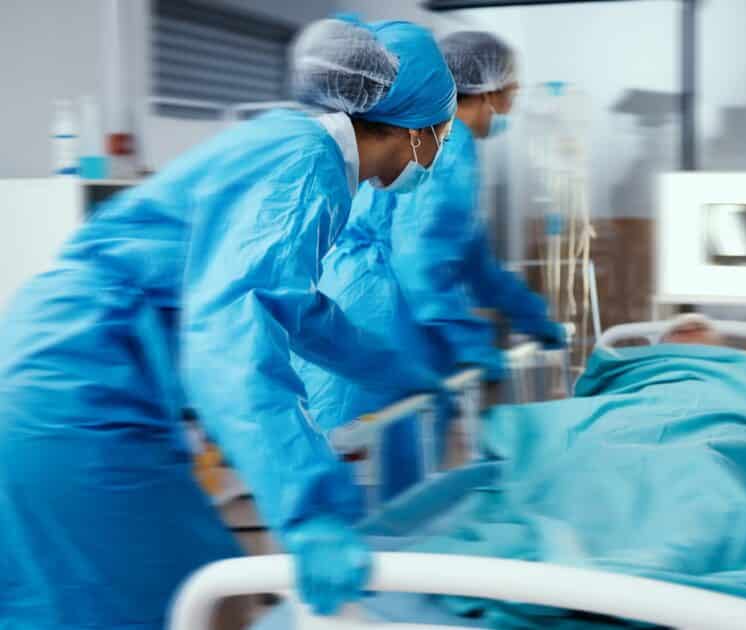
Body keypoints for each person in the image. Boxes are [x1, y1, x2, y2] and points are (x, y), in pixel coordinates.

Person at [0, 15, 456, 629]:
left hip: (64, 362)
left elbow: (291, 306)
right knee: (169, 604)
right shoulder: (307, 165)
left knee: (185, 594)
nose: (439, 151)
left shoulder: (294, 144)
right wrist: (310, 508)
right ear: (417, 132)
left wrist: (386, 364)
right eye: (442, 134)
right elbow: (233, 331)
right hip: (79, 391)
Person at [295, 31, 563, 499]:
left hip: (361, 302)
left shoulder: (444, 147)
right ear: (489, 91)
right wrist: (468, 341)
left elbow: (472, 259)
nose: (514, 101)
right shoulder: (447, 147)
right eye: (513, 89)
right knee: (384, 488)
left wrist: (531, 316)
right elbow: (420, 261)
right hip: (378, 314)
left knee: (390, 478)